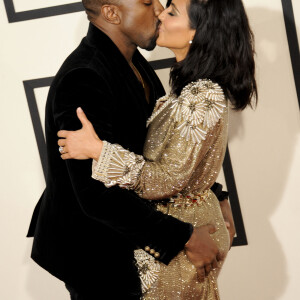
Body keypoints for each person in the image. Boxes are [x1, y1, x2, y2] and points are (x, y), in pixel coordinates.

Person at [27, 0, 235, 299]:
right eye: (148, 2)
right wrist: (184, 238)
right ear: (112, 13)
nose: (159, 10)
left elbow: (163, 150)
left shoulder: (135, 62)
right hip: (96, 254)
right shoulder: (84, 77)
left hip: (130, 241)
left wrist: (215, 194)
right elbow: (95, 195)